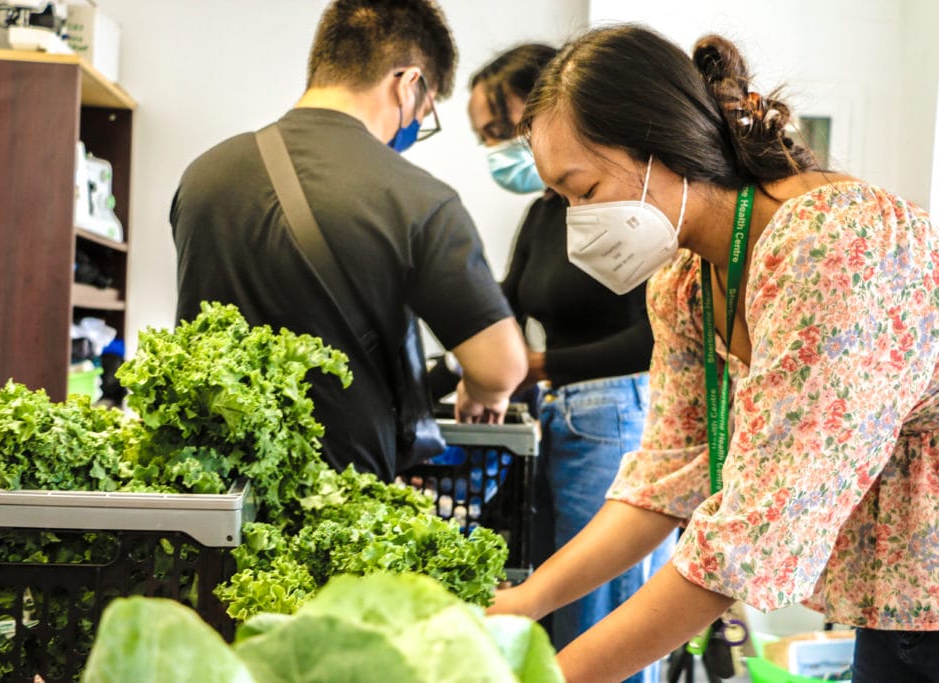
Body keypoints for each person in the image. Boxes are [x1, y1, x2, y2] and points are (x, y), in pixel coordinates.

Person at [489, 24, 939, 683]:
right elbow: (664, 478)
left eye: (582, 192)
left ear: (659, 146)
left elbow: (752, 533)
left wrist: (554, 674)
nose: (574, 221)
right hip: (898, 597)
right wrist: (523, 603)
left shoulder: (830, 245)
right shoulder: (686, 281)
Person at [170, 0, 527, 482]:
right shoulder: (417, 198)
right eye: (426, 110)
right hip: (340, 494)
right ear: (409, 83)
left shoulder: (203, 176)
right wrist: (485, 394)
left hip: (211, 488)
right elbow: (500, 367)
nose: (417, 125)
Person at [468, 43, 673, 682]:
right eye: (484, 138)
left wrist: (540, 362)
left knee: (598, 615)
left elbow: (652, 338)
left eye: (502, 132)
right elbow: (500, 304)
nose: (498, 151)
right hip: (561, 416)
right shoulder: (543, 215)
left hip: (614, 413)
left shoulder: (629, 216)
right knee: (559, 608)